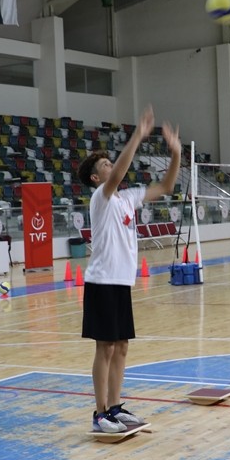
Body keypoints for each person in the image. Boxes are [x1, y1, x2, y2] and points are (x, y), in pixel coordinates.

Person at [79, 106, 181, 433]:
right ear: (96, 177)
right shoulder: (101, 196)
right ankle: (99, 415)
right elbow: (120, 172)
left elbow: (165, 186)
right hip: (102, 281)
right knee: (105, 347)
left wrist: (176, 154)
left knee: (121, 346)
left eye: (111, 161)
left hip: (121, 282)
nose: (112, 166)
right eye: (105, 164)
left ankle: (114, 407)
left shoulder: (127, 198)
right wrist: (138, 135)